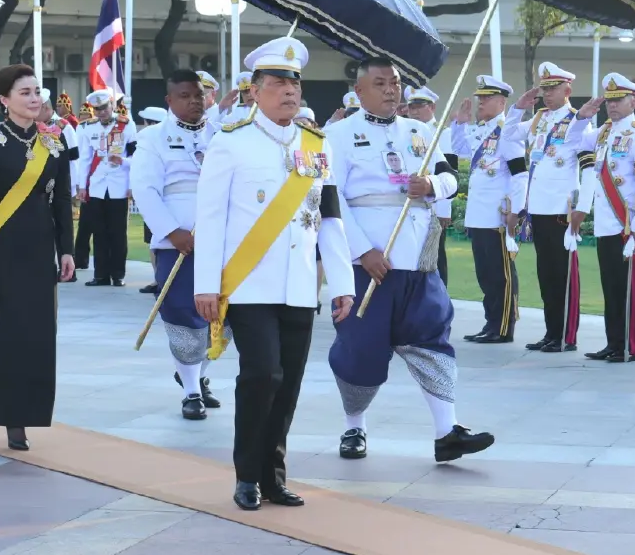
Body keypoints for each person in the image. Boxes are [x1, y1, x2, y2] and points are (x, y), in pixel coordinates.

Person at [194, 36, 356, 511]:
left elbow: (329, 218)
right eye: (278, 83)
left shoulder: (316, 146)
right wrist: (207, 283)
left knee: (288, 382)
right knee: (261, 373)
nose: (289, 91)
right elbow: (211, 218)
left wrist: (342, 283)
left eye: (294, 83)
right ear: (255, 91)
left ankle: (273, 475)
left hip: (300, 284)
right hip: (248, 284)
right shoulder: (231, 143)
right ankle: (247, 475)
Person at [327, 57, 495, 463]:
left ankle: (447, 431)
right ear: (359, 91)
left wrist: (432, 184)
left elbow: (450, 178)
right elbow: (331, 200)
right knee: (361, 348)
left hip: (417, 258)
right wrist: (362, 251)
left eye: (396, 82)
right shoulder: (336, 135)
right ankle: (354, 427)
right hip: (368, 259)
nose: (390, 89)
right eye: (380, 83)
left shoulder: (420, 131)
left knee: (431, 339)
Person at [0, 64, 75, 451]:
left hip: (41, 250)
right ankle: (11, 416)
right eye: (25, 92)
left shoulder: (54, 141)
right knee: (11, 334)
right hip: (3, 251)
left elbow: (62, 199)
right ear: (4, 99)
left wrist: (67, 250)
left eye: (37, 91)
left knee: (41, 335)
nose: (34, 99)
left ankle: (32, 411)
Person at [132, 71, 228, 419]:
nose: (194, 101)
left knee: (223, 315)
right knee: (184, 315)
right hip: (179, 244)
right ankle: (190, 393)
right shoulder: (154, 138)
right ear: (169, 101)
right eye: (185, 95)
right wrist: (173, 232)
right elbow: (144, 189)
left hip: (223, 242)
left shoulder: (222, 137)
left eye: (199, 95)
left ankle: (199, 377)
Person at [512, 63, 599, 353]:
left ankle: (566, 336)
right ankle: (551, 332)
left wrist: (582, 209)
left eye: (553, 89)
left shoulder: (580, 122)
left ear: (568, 90)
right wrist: (518, 108)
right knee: (546, 274)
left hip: (563, 210)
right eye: (544, 88)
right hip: (539, 208)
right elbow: (507, 137)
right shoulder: (539, 120)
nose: (547, 94)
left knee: (564, 276)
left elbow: (589, 171)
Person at [570, 73, 635, 363]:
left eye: (618, 100)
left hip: (626, 225)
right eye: (609, 100)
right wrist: (582, 116)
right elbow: (572, 142)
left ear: (633, 101)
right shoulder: (603, 133)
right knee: (610, 286)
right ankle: (613, 342)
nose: (613, 105)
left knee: (628, 288)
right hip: (606, 224)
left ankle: (630, 346)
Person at [448, 76, 528, 343]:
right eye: (480, 97)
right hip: (478, 215)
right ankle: (491, 323)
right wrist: (459, 123)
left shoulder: (508, 133)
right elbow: (459, 149)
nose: (480, 102)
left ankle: (504, 327)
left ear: (502, 102)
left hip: (497, 215)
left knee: (501, 275)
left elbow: (520, 175)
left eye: (486, 98)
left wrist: (516, 210)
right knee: (485, 275)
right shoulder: (481, 130)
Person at [75, 87, 136, 286]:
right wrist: (82, 186)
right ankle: (100, 274)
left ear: (112, 105)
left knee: (118, 233)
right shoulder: (87, 128)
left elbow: (136, 156)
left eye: (104, 107)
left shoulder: (126, 125)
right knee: (98, 232)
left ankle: (118, 275)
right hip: (97, 186)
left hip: (119, 185)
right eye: (97, 109)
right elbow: (84, 159)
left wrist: (125, 165)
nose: (102, 112)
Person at [404, 86, 457, 286]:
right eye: (411, 107)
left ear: (432, 107)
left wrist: (444, 210)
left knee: (435, 255)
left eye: (419, 106)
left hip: (434, 203)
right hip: (411, 203)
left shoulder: (442, 133)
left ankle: (439, 294)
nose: (414, 111)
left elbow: (449, 172)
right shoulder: (407, 132)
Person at [135, 106, 168, 295]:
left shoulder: (150, 139)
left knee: (156, 243)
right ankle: (158, 278)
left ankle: (159, 278)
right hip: (159, 200)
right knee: (154, 242)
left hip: (158, 201)